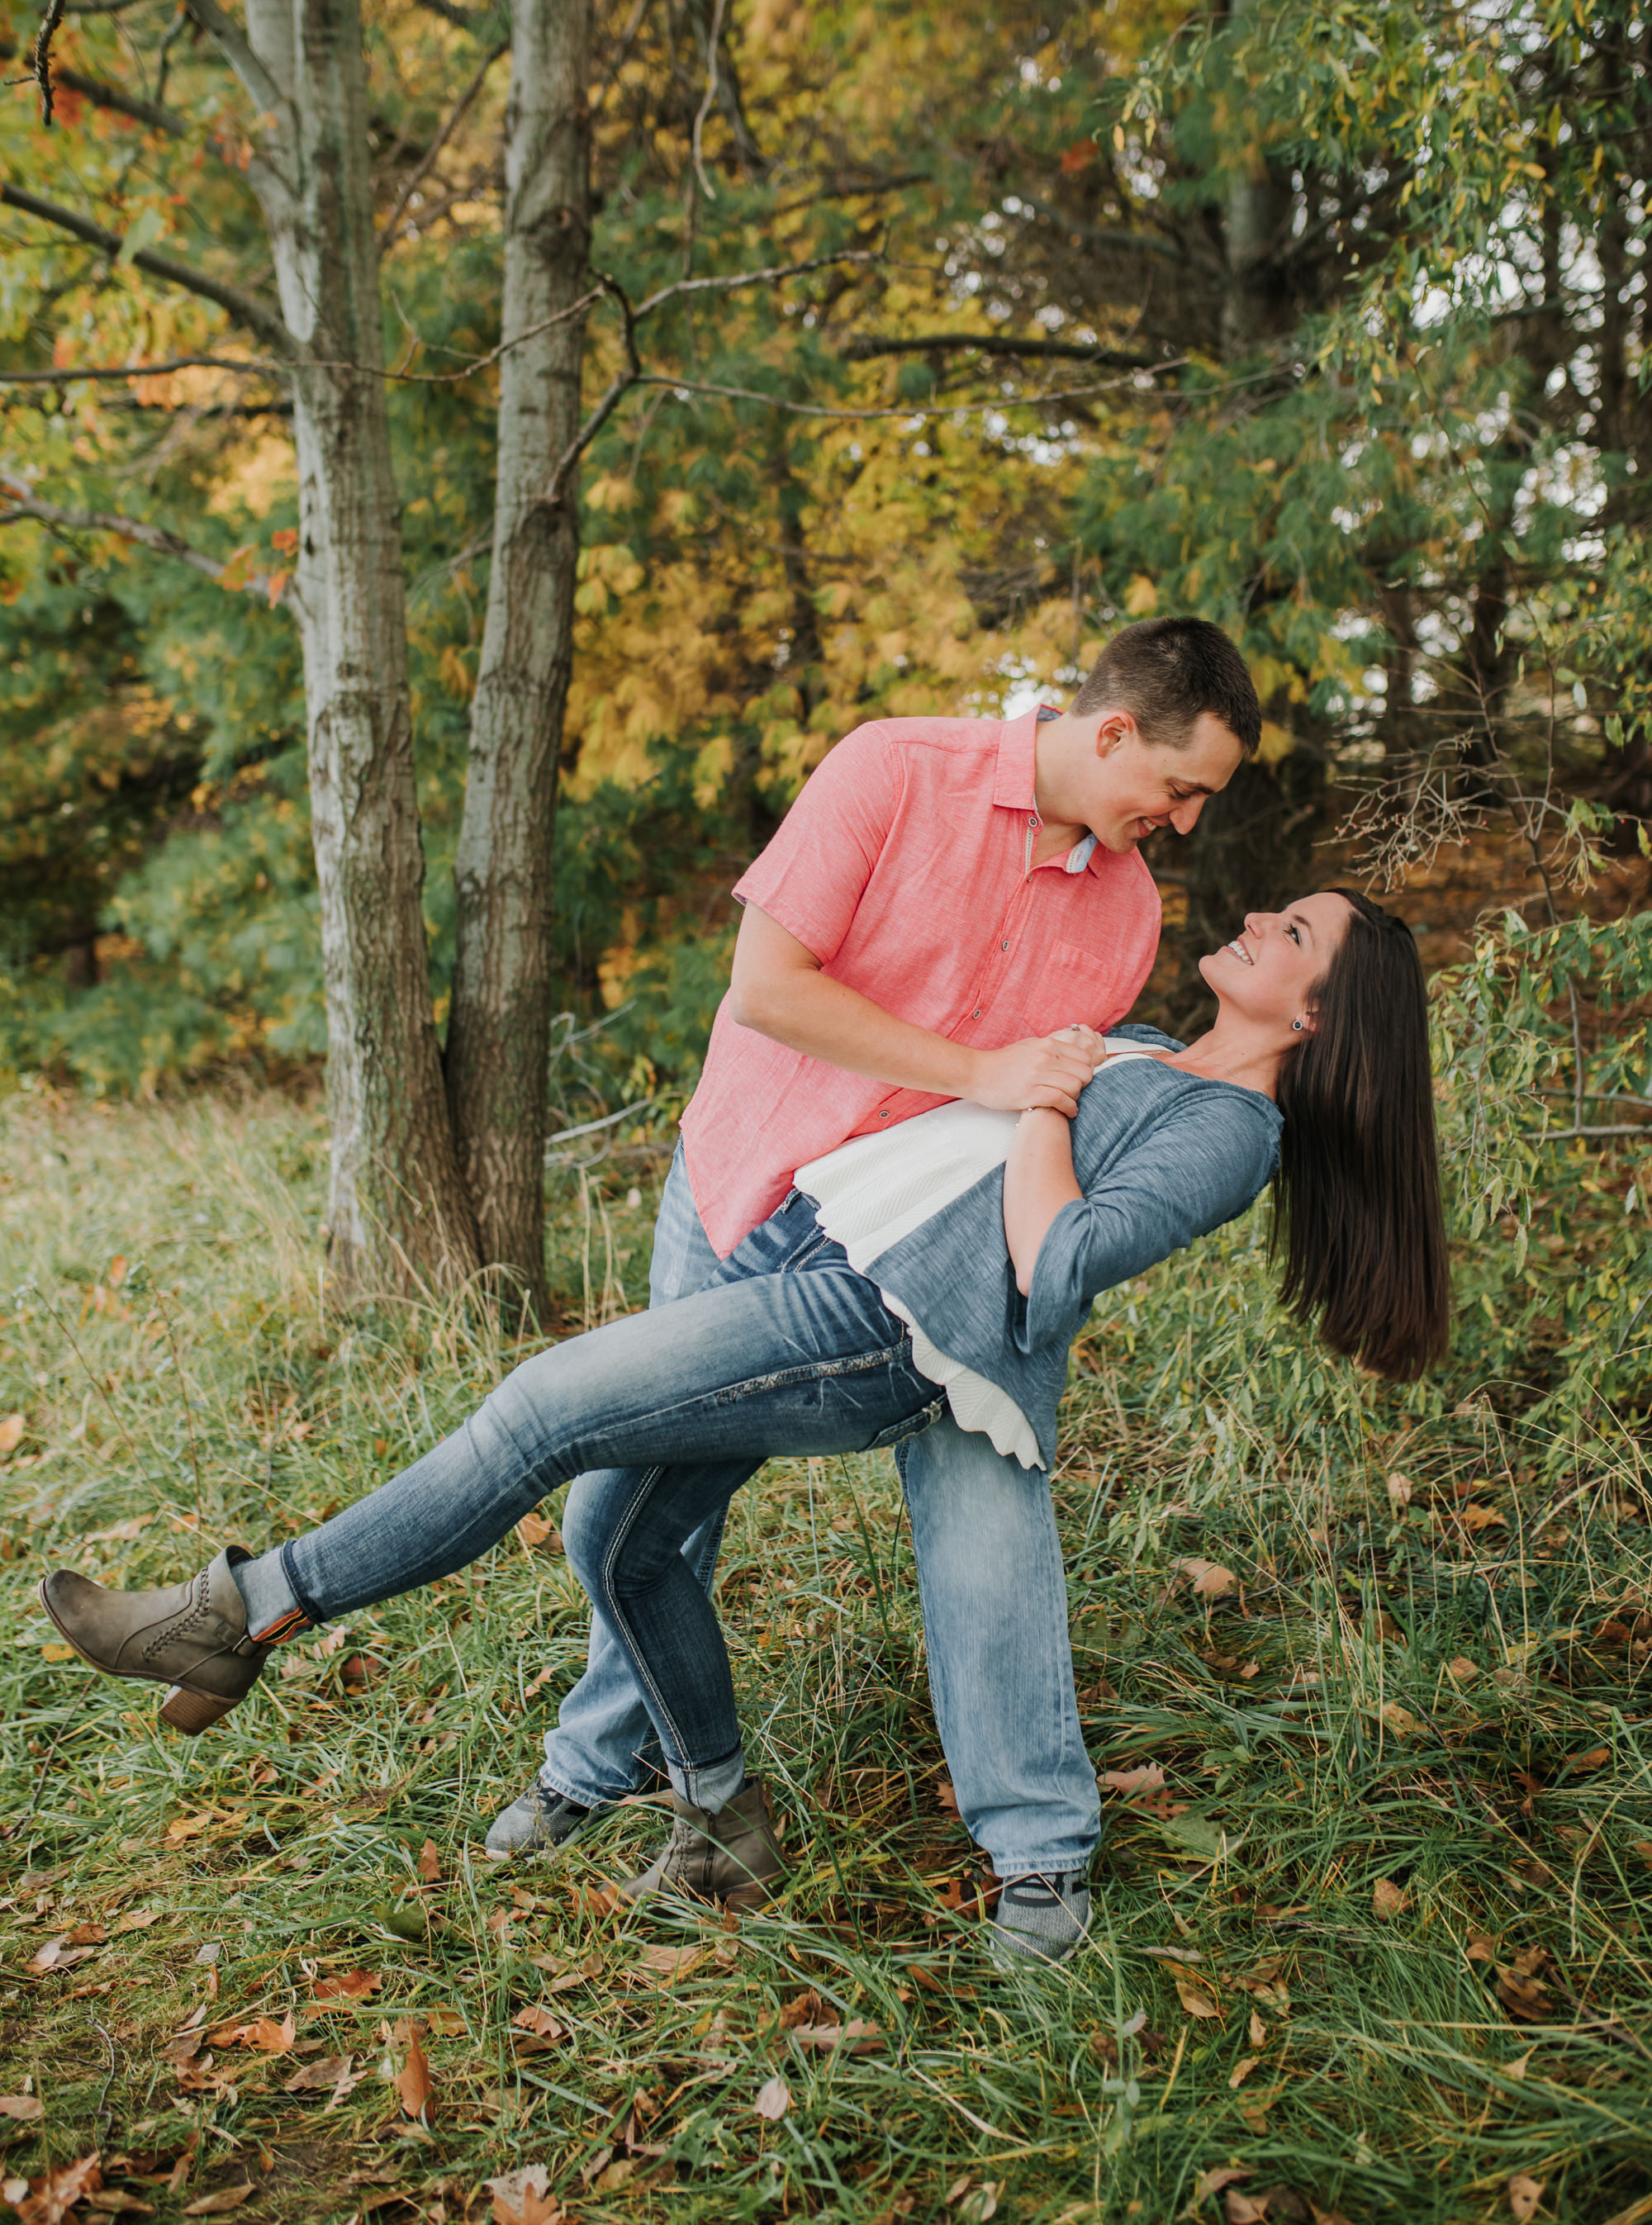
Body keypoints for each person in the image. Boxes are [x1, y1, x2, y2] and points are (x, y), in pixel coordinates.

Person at [39, 888, 1450, 1969]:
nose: (1260, 920)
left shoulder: (1233, 1127)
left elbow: (1062, 1259)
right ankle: (723, 1815)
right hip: (822, 1269)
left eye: (1294, 931)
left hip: (873, 1329)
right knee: (627, 1541)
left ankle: (246, 1607)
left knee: (540, 1410)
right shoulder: (1158, 1044)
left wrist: (1048, 1097)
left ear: (1320, 1016)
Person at [492, 617, 1263, 1951]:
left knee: (990, 1523)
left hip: (925, 1262)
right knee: (648, 1512)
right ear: (1114, 731)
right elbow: (766, 991)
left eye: (1202, 802)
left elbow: (1043, 1123)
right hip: (751, 1194)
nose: (1184, 822)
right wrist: (982, 1075)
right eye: (1181, 786)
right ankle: (602, 1759)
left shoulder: (1126, 912)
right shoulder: (894, 769)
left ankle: (1039, 1850)